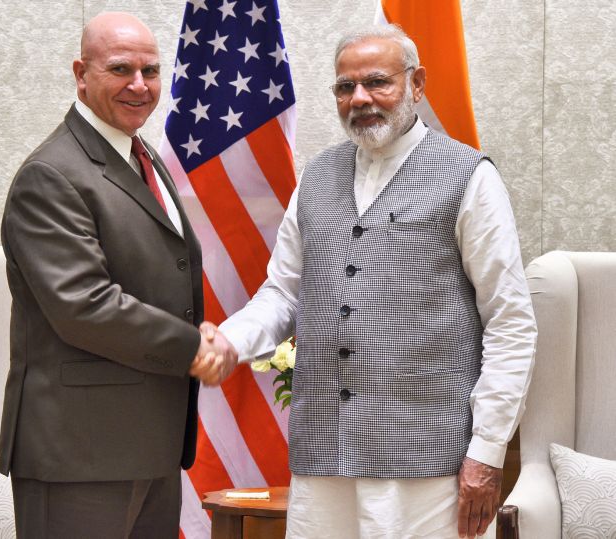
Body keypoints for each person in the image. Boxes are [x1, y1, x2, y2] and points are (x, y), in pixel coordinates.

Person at [217, 24, 537, 539]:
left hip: (428, 462)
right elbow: (282, 294)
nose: (360, 99)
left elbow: (510, 321)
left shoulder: (469, 176)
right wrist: (228, 342)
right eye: (346, 87)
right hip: (323, 457)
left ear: (417, 84)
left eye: (377, 82)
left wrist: (488, 451)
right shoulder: (316, 178)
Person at [0, 12, 236, 538]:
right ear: (81, 73)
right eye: (120, 69)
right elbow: (84, 306)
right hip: (79, 454)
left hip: (147, 447)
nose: (139, 85)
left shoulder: (139, 154)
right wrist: (192, 348)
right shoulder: (52, 174)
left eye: (151, 71)